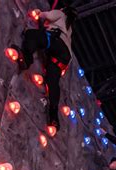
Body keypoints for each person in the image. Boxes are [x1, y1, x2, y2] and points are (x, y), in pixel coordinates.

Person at [13, 5, 77, 133]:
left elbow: (46, 15)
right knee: (52, 81)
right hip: (64, 57)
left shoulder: (61, 14)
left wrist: (39, 12)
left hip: (55, 41)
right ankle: (54, 117)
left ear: (64, 10)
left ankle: (27, 59)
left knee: (31, 34)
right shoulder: (69, 28)